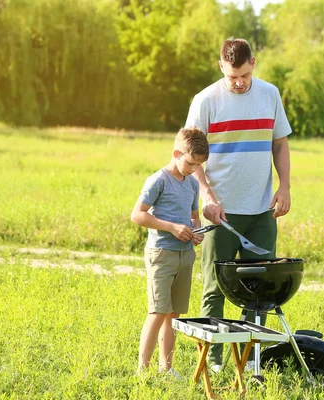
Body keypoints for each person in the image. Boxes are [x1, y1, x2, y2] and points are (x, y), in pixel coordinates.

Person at [185, 38, 292, 371]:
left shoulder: (270, 94)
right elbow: (191, 156)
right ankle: (213, 362)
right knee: (214, 287)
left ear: (253, 64)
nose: (239, 82)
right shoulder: (205, 101)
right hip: (222, 214)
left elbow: (280, 144)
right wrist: (207, 195)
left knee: (259, 291)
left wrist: (284, 187)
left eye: (244, 75)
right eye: (232, 76)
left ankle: (248, 361)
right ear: (221, 67)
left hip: (262, 211)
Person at [130, 127, 209, 377]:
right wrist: (172, 227)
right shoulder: (159, 180)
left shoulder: (193, 184)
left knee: (173, 315)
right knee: (157, 311)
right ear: (177, 153)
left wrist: (197, 232)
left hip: (185, 255)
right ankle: (143, 370)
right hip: (161, 253)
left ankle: (167, 368)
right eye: (190, 163)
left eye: (199, 165)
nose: (194, 168)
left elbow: (194, 217)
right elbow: (137, 215)